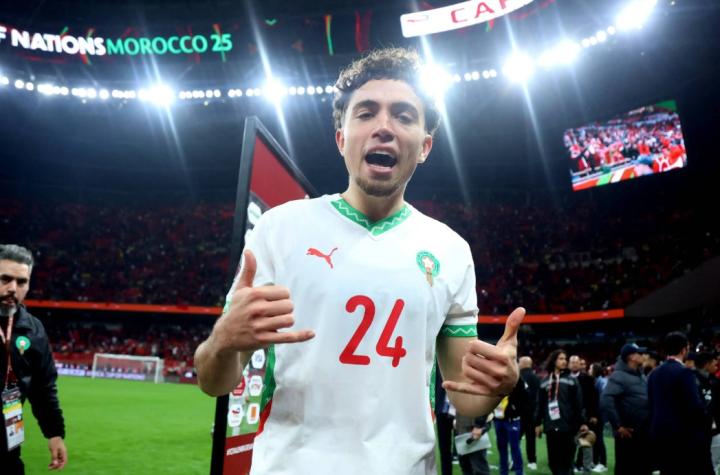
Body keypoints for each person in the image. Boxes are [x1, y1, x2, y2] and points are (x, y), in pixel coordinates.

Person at [194, 47, 525, 475]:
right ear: (341, 139)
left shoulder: (450, 250)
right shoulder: (280, 227)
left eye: (403, 116)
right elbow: (213, 381)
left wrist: (500, 384)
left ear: (424, 146)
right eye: (366, 113)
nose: (384, 127)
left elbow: (466, 397)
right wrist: (222, 340)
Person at [0, 244, 67, 474]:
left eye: (21, 282)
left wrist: (54, 433)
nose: (13, 288)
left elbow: (43, 387)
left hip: (8, 447)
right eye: (5, 279)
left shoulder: (33, 330)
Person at [648, 331, 713, 475]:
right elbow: (694, 405)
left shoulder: (654, 373)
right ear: (684, 350)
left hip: (659, 434)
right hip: (683, 437)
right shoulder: (685, 372)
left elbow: (651, 403)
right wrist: (708, 420)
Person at [599, 343, 651, 475]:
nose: (643, 355)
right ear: (631, 357)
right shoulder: (619, 376)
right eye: (640, 353)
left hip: (642, 433)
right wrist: (618, 426)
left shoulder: (640, 375)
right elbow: (606, 399)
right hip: (628, 435)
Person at [536, 350, 586, 475]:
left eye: (565, 359)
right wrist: (537, 423)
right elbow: (540, 405)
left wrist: (581, 423)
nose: (564, 361)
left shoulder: (572, 380)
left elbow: (579, 404)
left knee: (567, 463)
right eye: (561, 358)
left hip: (568, 427)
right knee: (553, 462)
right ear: (554, 361)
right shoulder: (544, 381)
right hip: (551, 427)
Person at [493, 377, 529, 475]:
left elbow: (525, 397)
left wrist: (516, 410)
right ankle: (503, 472)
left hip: (512, 420)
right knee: (502, 448)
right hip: (498, 419)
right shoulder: (495, 378)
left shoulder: (517, 379)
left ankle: (519, 472)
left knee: (514, 447)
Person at [694, 352, 720, 473]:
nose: (716, 365)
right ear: (706, 364)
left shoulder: (712, 380)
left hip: (713, 428)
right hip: (700, 430)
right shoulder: (693, 381)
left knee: (714, 463)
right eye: (714, 363)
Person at [519, 356, 540, 471]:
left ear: (523, 364)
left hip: (519, 414)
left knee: (515, 438)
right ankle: (532, 461)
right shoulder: (537, 378)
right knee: (531, 439)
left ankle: (513, 460)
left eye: (519, 362)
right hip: (532, 414)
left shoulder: (517, 376)